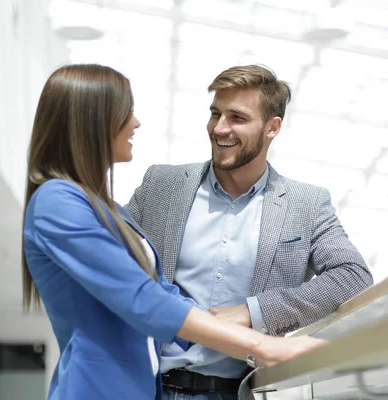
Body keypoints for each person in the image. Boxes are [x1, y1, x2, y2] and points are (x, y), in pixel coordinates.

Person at [21, 64, 325, 400]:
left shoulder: (109, 209)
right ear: (93, 122)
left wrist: (253, 328)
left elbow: (164, 293)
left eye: (237, 117)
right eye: (126, 112)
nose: (135, 123)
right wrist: (261, 345)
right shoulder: (57, 202)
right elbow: (142, 299)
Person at [126, 64, 373, 399]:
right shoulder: (161, 186)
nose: (220, 128)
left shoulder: (306, 204)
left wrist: (253, 312)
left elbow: (353, 277)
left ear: (272, 127)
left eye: (237, 118)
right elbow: (112, 263)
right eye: (216, 114)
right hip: (146, 387)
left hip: (238, 391)